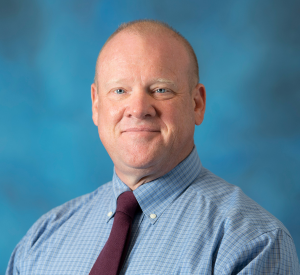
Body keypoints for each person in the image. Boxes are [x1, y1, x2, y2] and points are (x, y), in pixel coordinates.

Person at [6, 20, 300, 275]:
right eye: (120, 91)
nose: (138, 109)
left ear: (197, 104)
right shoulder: (42, 240)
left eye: (161, 90)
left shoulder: (251, 242)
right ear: (96, 104)